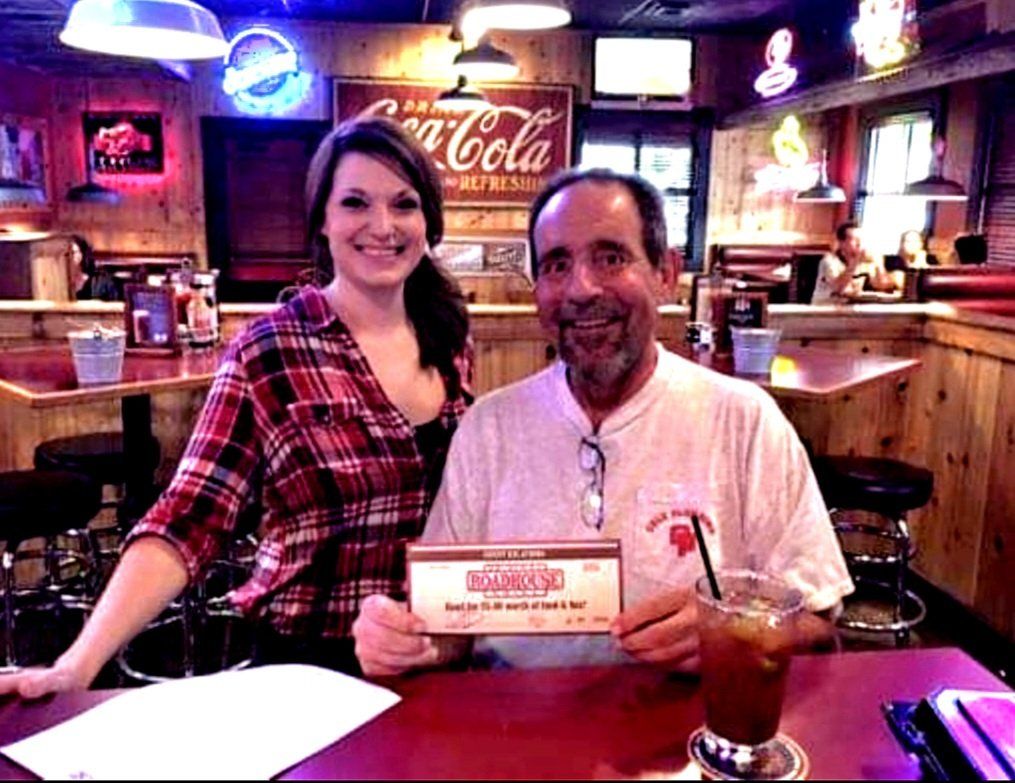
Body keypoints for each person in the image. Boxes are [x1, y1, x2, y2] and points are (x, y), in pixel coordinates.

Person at [0, 116, 471, 697]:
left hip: (436, 655)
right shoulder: (269, 349)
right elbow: (189, 517)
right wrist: (77, 663)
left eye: (405, 204)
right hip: (312, 667)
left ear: (428, 222)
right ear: (322, 221)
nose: (383, 225)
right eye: (355, 202)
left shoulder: (451, 340)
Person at [352, 169, 853, 676]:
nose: (581, 288)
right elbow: (445, 628)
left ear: (665, 273)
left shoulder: (745, 422)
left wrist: (733, 634)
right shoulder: (489, 428)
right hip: (509, 732)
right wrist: (406, 642)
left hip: (681, 733)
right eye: (556, 265)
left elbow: (819, 628)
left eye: (610, 257)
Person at [811, 222, 898, 304]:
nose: (859, 243)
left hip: (850, 309)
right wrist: (855, 261)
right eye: (855, 239)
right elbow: (838, 288)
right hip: (825, 309)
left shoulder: (864, 262)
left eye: (861, 239)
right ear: (842, 243)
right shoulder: (829, 261)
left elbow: (881, 285)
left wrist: (879, 263)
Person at [67, 235, 118, 301]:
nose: (70, 257)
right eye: (67, 254)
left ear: (82, 254)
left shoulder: (102, 280)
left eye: (74, 252)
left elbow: (115, 306)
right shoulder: (60, 282)